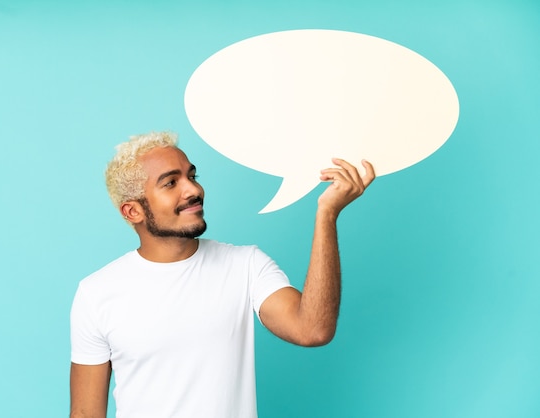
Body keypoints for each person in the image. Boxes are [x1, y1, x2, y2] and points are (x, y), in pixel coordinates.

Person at [70, 131, 375, 418]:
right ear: (133, 211)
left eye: (191, 176)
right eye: (170, 183)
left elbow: (313, 329)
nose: (193, 190)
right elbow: (85, 414)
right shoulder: (97, 292)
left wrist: (327, 214)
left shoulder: (246, 265)